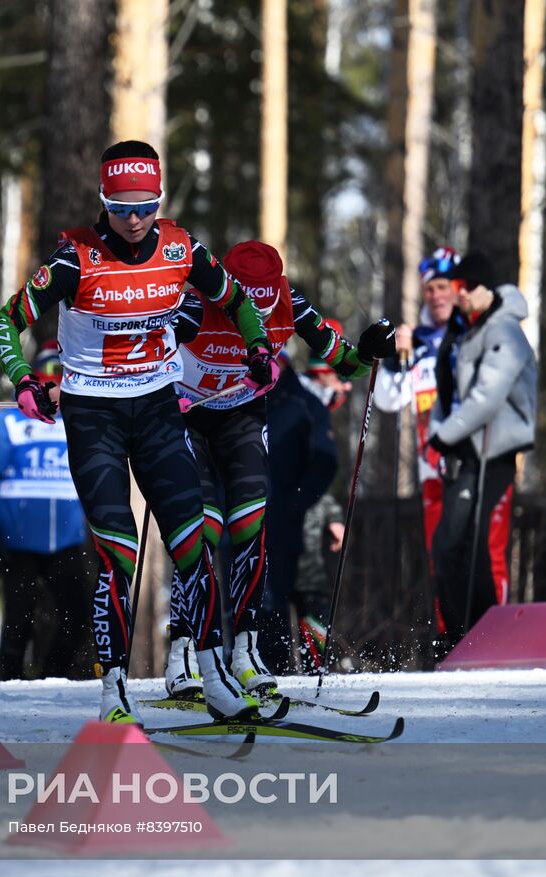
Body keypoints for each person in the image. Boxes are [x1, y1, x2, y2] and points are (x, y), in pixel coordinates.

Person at [0, 139, 281, 724]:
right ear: (103, 200)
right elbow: (6, 321)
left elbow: (237, 298)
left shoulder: (180, 247)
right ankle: (114, 690)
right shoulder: (75, 260)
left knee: (192, 543)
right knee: (118, 550)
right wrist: (24, 379)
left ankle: (214, 674)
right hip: (93, 414)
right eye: (122, 207)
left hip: (155, 409)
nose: (135, 219)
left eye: (146, 206)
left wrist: (258, 347)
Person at [162, 243, 394, 699]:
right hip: (190, 420)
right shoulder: (195, 305)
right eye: (251, 305)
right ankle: (183, 652)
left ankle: (245, 653)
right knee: (201, 530)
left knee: (251, 525)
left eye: (267, 304)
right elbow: (141, 353)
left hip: (242, 419)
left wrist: (368, 352)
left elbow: (344, 364)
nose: (261, 319)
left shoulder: (291, 302)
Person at [427, 252, 536, 651]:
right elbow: (453, 389)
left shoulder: (504, 331)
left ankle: (479, 637)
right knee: (454, 541)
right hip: (473, 452)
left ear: (483, 288)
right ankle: (466, 637)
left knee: (464, 541)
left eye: (463, 288)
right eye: (455, 288)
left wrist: (442, 437)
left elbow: (487, 397)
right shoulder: (474, 329)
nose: (459, 296)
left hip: (496, 451)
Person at [0, 341, 91, 680]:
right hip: (18, 540)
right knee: (18, 620)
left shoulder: (78, 421)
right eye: (48, 380)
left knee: (77, 614)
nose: (55, 389)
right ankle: (6, 685)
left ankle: (53, 677)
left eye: (62, 379)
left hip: (65, 540)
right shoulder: (7, 421)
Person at [375, 246, 462, 636]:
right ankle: (447, 641)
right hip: (432, 472)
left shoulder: (474, 332)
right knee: (439, 559)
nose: (437, 295)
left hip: (475, 468)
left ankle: (483, 637)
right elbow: (389, 400)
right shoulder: (419, 340)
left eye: (444, 286)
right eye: (430, 289)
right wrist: (396, 356)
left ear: (458, 289)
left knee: (480, 556)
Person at [256, 339, 344, 672]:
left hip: (292, 522)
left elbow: (324, 464)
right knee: (259, 602)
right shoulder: (245, 397)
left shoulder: (304, 404)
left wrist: (296, 502)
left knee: (303, 596)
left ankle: (313, 670)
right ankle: (264, 671)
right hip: (248, 520)